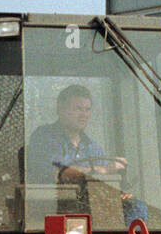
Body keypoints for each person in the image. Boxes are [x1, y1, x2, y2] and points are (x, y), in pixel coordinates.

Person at [26, 84, 148, 224]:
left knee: (137, 207)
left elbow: (103, 184)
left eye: (87, 109)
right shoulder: (44, 137)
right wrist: (103, 169)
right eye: (78, 109)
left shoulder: (93, 147)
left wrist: (119, 194)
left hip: (90, 209)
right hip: (52, 209)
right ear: (60, 108)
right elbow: (58, 172)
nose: (84, 115)